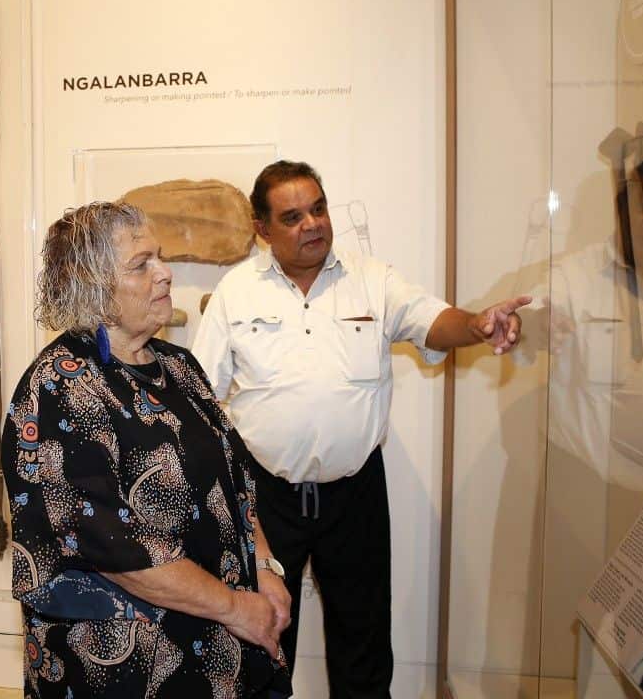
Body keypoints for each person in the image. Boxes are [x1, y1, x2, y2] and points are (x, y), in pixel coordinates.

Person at [191, 160, 528, 697]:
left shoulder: (372, 278)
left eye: (319, 208)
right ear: (263, 229)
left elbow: (430, 319)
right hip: (265, 498)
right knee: (263, 636)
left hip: (355, 496)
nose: (313, 224)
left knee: (364, 643)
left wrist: (477, 324)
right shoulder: (236, 293)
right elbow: (200, 395)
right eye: (293, 216)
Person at [0, 201, 293, 698]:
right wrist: (237, 609)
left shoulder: (179, 366)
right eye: (142, 264)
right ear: (91, 288)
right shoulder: (57, 390)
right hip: (126, 666)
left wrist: (264, 566)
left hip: (222, 645)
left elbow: (235, 482)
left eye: (159, 257)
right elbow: (120, 549)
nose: (166, 273)